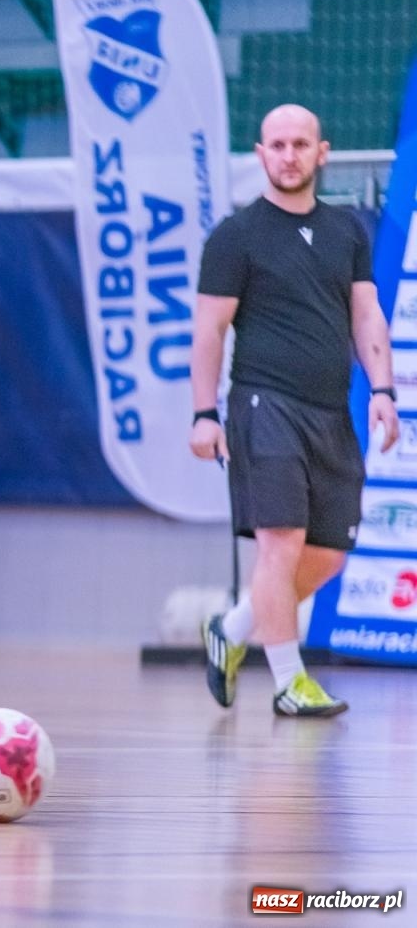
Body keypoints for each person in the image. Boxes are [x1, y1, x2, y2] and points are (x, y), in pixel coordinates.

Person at [193, 104, 398, 718]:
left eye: (300, 144)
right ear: (260, 154)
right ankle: (289, 683)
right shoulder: (236, 235)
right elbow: (209, 330)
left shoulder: (346, 232)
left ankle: (230, 630)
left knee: (327, 554)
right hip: (263, 405)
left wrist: (384, 390)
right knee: (280, 543)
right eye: (277, 145)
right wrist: (204, 412)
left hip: (330, 413)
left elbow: (367, 315)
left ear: (322, 152)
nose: (288, 155)